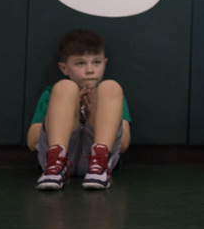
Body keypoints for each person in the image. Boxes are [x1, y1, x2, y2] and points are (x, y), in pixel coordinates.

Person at [27, 29, 131, 191]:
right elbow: (32, 142)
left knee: (111, 86)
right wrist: (70, 114)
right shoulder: (52, 94)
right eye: (80, 63)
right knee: (65, 87)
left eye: (96, 62)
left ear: (105, 63)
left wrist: (93, 115)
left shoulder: (111, 96)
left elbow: (123, 144)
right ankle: (55, 164)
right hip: (62, 155)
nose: (90, 70)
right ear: (64, 68)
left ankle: (100, 165)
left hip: (96, 162)